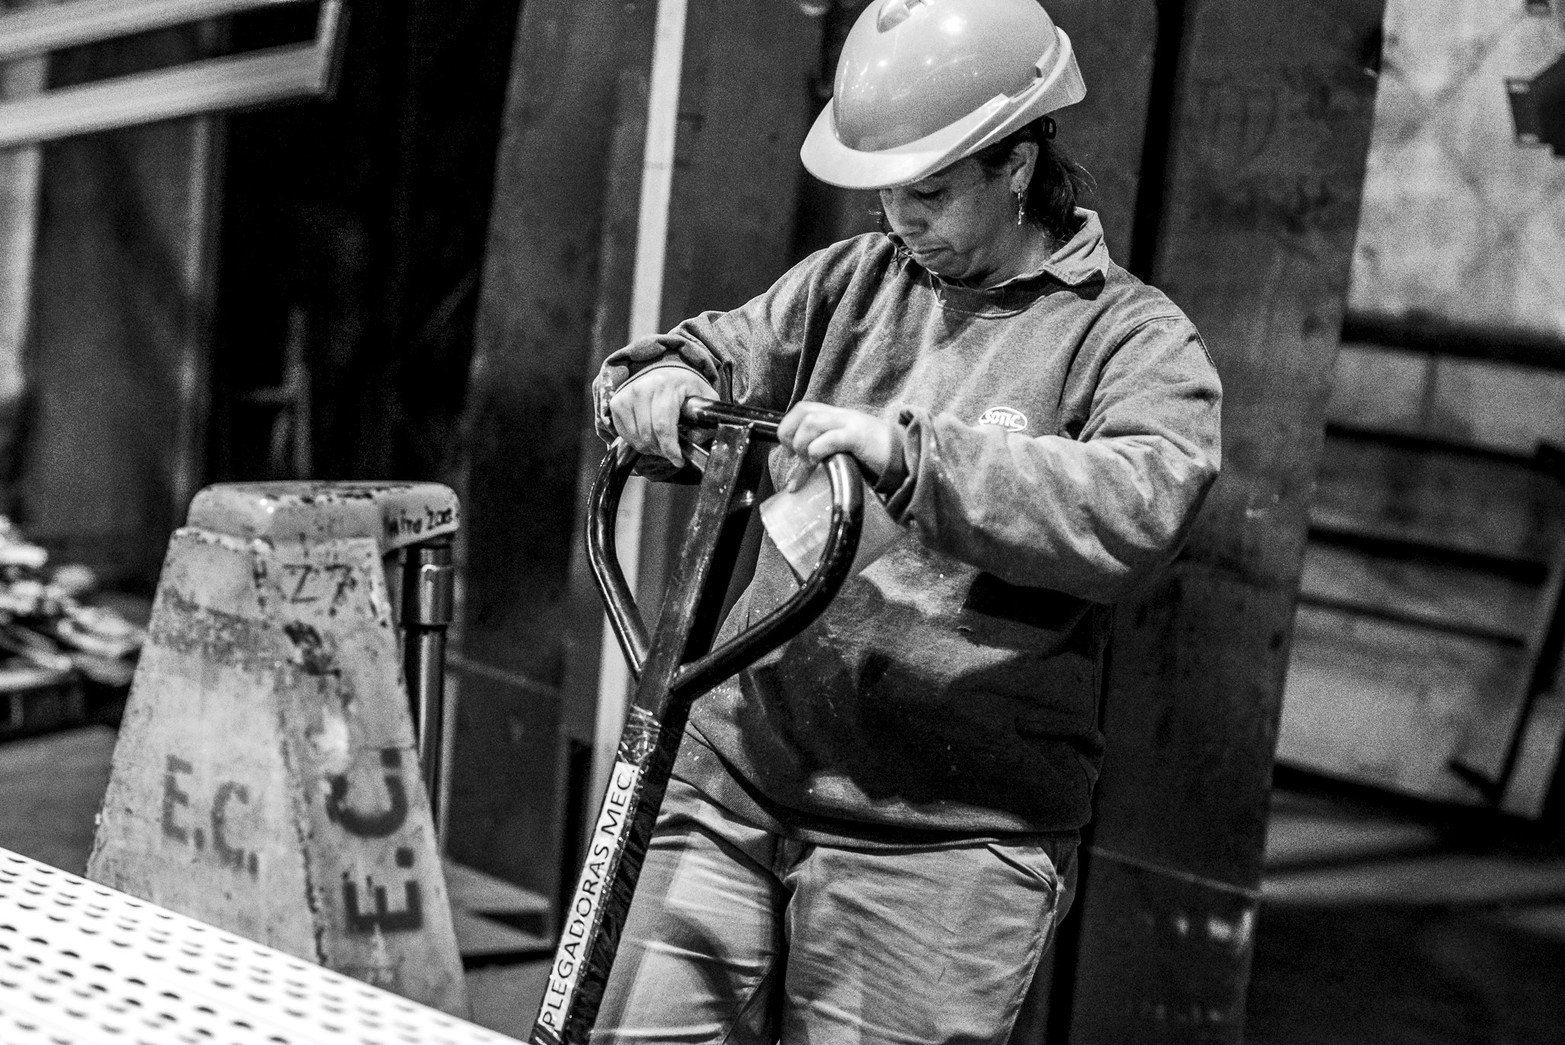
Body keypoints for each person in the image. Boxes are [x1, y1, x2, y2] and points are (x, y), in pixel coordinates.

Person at [589, 0, 1222, 1041]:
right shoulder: (851, 284)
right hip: (737, 773)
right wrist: (657, 385)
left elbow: (1139, 502)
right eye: (885, 186)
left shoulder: (1128, 338)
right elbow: (706, 353)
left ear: (1015, 163)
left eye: (929, 189)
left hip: (943, 838)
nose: (899, 215)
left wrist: (908, 455)